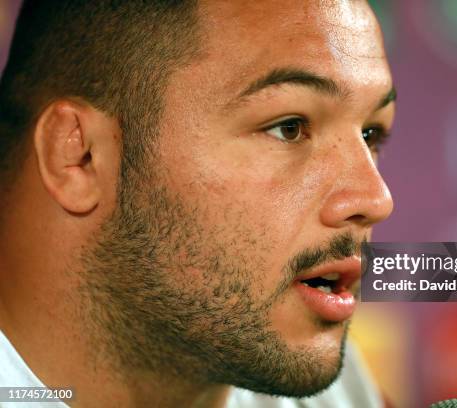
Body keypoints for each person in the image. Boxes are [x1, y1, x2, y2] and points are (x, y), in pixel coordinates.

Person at [0, 0, 395, 407]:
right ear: (79, 158)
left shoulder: (337, 390)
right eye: (289, 128)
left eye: (370, 134)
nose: (375, 199)